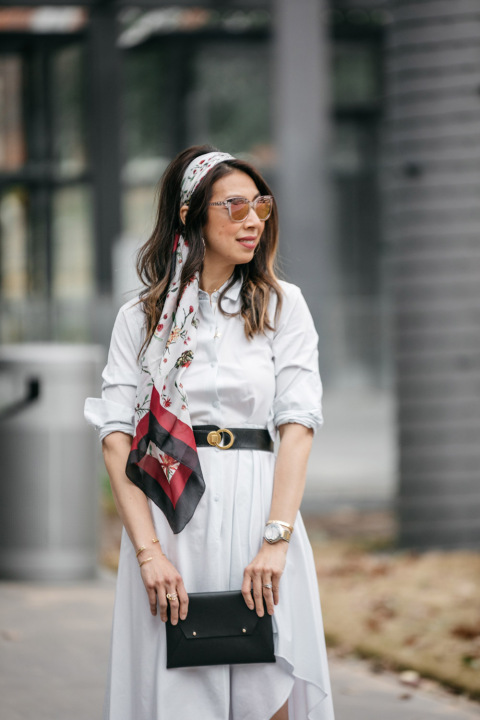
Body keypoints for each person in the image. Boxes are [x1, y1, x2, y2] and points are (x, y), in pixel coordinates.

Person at [85, 145, 335, 720]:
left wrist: (275, 542)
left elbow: (298, 424)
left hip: (259, 513)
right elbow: (117, 437)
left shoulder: (282, 306)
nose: (253, 221)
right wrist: (149, 553)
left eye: (260, 206)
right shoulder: (140, 319)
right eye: (235, 206)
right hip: (171, 520)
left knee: (269, 686)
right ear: (190, 215)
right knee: (179, 693)